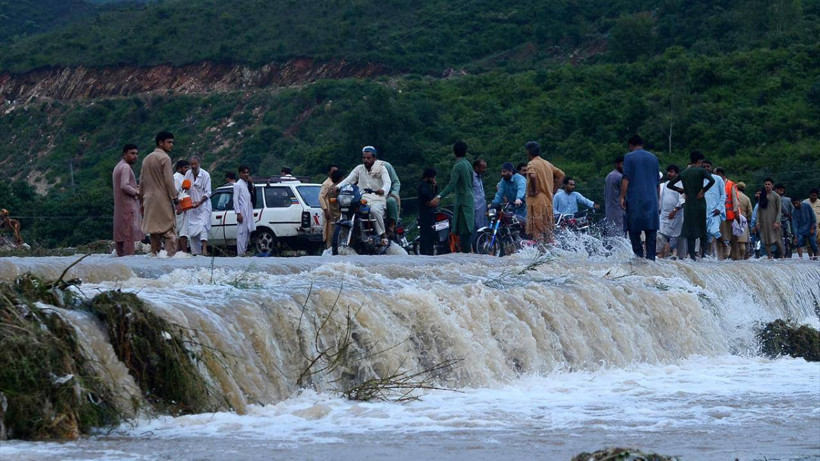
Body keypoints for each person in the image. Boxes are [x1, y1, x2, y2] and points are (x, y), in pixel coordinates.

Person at [338, 146, 392, 245]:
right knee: (351, 208)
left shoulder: (381, 168)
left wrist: (382, 190)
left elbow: (387, 182)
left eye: (368, 158)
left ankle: (383, 235)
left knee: (374, 210)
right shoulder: (359, 168)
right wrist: (337, 187)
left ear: (374, 158)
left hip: (378, 199)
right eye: (364, 158)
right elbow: (349, 179)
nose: (365, 160)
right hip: (362, 199)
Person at [667, 151, 714, 260]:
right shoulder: (701, 171)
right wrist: (703, 190)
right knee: (702, 229)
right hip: (700, 203)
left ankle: (692, 256)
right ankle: (704, 255)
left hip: (689, 204)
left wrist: (681, 190)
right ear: (699, 161)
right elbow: (712, 181)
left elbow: (670, 184)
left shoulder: (684, 173)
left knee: (690, 231)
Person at [619, 135, 660, 260]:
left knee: (634, 230)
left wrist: (622, 197)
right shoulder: (654, 158)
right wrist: (657, 200)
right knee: (651, 230)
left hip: (635, 199)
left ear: (631, 145)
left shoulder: (629, 157)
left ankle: (639, 258)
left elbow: (626, 178)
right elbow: (657, 182)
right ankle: (651, 259)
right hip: (652, 199)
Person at [139, 131, 178, 257]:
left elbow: (142, 182)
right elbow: (169, 181)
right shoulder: (165, 158)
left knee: (154, 234)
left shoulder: (146, 159)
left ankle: (155, 259)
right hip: (162, 200)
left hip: (148, 200)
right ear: (161, 143)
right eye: (169, 142)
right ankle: (169, 260)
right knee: (169, 232)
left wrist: (141, 202)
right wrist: (176, 199)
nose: (172, 145)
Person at [432, 141, 474, 252]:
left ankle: (466, 255)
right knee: (467, 230)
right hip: (469, 199)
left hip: (462, 202)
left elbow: (452, 184)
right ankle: (468, 253)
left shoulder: (458, 166)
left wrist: (439, 196)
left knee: (464, 231)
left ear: (454, 152)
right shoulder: (468, 164)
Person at [524, 141, 565, 242]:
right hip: (548, 201)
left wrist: (534, 190)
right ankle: (551, 254)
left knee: (537, 231)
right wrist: (554, 190)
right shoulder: (547, 164)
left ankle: (541, 254)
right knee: (548, 231)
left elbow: (532, 176)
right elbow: (562, 175)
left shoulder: (531, 163)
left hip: (537, 201)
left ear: (529, 152)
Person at [112, 144, 141, 257]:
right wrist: (137, 192)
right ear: (125, 154)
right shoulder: (125, 167)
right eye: (132, 153)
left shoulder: (118, 166)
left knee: (120, 240)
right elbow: (124, 185)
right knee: (128, 239)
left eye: (136, 154)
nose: (135, 156)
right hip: (128, 208)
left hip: (121, 209)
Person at [184, 155, 212, 256]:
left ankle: (204, 250)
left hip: (203, 206)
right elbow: (185, 189)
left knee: (203, 227)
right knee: (191, 230)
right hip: (192, 206)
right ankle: (195, 252)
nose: (193, 166)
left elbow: (208, 193)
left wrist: (199, 202)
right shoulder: (188, 174)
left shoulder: (205, 175)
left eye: (195, 164)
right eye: (191, 164)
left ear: (199, 164)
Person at [657, 164, 685, 259]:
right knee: (661, 234)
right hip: (665, 214)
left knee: (680, 237)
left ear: (677, 173)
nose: (669, 173)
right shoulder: (665, 185)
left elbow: (682, 199)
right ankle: (657, 255)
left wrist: (674, 210)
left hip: (677, 214)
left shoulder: (681, 184)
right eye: (668, 171)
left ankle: (682, 258)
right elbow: (662, 199)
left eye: (671, 171)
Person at [701, 159, 726, 258]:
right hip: (704, 211)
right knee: (705, 235)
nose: (706, 168)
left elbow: (723, 195)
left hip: (716, 212)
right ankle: (705, 255)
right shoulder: (700, 180)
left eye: (708, 166)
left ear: (711, 168)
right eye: (704, 167)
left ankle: (725, 246)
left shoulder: (718, 179)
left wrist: (719, 208)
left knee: (713, 231)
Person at [714, 167, 740, 260]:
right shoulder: (715, 185)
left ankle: (736, 258)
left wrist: (736, 213)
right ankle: (721, 258)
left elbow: (735, 200)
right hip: (719, 216)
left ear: (720, 174)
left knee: (733, 240)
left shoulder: (730, 184)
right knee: (719, 239)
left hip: (730, 217)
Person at [756, 179, 785, 259]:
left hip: (774, 222)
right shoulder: (761, 196)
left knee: (778, 241)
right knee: (766, 240)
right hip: (764, 221)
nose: (767, 186)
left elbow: (779, 210)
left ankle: (782, 255)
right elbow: (759, 210)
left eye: (769, 184)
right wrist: (757, 221)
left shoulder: (776, 196)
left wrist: (777, 221)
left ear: (772, 185)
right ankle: (769, 256)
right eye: (766, 184)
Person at [233, 165, 256, 256]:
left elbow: (252, 195)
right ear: (240, 174)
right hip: (242, 211)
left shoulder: (247, 184)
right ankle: (240, 253)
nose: (246, 174)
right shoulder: (237, 185)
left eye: (247, 172)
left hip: (249, 210)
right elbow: (235, 199)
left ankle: (244, 251)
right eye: (244, 173)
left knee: (248, 231)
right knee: (241, 232)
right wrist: (238, 213)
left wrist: (251, 183)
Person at [417, 168, 439, 256]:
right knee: (427, 234)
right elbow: (430, 197)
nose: (434, 180)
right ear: (428, 177)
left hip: (428, 212)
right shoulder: (423, 186)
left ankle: (428, 251)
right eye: (433, 178)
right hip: (425, 213)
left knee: (429, 233)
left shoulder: (425, 186)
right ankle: (427, 252)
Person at [319, 164, 340, 248]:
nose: (335, 173)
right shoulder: (326, 184)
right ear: (329, 172)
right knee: (330, 231)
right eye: (333, 171)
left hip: (337, 211)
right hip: (329, 211)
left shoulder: (338, 183)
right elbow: (321, 197)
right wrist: (325, 210)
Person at [604, 155, 625, 237]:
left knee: (611, 235)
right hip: (619, 210)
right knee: (619, 236)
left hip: (609, 210)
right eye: (622, 164)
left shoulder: (609, 176)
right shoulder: (620, 177)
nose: (624, 167)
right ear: (617, 164)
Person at [173, 159, 190, 253]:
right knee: (178, 230)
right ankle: (178, 251)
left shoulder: (184, 177)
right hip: (178, 207)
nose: (187, 169)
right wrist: (177, 205)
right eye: (185, 167)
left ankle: (183, 252)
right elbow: (174, 193)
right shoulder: (176, 178)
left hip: (185, 207)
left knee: (184, 232)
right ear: (179, 168)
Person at [382, 157, 402, 238]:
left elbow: (396, 182)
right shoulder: (363, 169)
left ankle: (392, 225)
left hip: (386, 195)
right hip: (371, 196)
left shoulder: (386, 166)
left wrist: (393, 193)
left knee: (391, 201)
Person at [775, 183, 794, 257]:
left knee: (788, 236)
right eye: (780, 190)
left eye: (782, 190)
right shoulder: (774, 199)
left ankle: (787, 250)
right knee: (781, 237)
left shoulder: (788, 200)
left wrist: (790, 217)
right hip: (777, 221)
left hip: (785, 220)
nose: (781, 192)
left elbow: (792, 210)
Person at [735, 182, 753, 259]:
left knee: (734, 241)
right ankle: (742, 258)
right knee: (742, 242)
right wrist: (747, 218)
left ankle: (735, 257)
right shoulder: (746, 198)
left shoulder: (733, 196)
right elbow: (750, 212)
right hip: (743, 220)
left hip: (733, 220)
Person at [472, 158, 488, 230]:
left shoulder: (479, 177)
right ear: (476, 167)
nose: (484, 170)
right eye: (483, 168)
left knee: (484, 227)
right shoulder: (471, 177)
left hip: (482, 207)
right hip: (475, 207)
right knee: (477, 227)